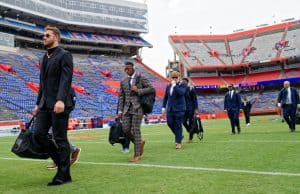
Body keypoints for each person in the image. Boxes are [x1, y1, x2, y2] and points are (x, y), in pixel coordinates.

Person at [32, 26, 74, 186]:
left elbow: (66, 79)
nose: (44, 37)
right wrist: (37, 104)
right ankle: (63, 166)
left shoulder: (65, 55)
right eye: (43, 35)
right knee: (38, 135)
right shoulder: (44, 57)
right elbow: (42, 84)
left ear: (55, 37)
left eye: (47, 35)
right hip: (45, 104)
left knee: (60, 138)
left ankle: (63, 175)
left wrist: (61, 100)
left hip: (59, 103)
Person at [117, 61, 154, 162]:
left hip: (138, 107)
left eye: (128, 68)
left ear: (132, 68)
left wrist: (139, 90)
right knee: (125, 130)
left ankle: (137, 155)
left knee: (135, 130)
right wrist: (120, 111)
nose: (126, 70)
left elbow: (151, 88)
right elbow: (121, 96)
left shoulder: (140, 77)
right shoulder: (123, 81)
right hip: (126, 109)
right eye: (125, 68)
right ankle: (139, 142)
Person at [162, 71, 187, 149]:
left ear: (179, 77)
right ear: (170, 78)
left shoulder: (183, 84)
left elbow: (181, 93)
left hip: (180, 109)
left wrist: (175, 85)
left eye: (176, 77)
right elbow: (166, 97)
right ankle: (179, 136)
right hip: (170, 109)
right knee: (169, 123)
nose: (175, 79)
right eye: (173, 78)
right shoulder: (168, 86)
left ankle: (178, 142)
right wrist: (163, 107)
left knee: (178, 125)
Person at [182, 77, 199, 143]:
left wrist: (196, 109)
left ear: (187, 82)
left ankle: (190, 138)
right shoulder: (181, 90)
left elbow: (195, 100)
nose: (183, 82)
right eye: (182, 81)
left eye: (184, 81)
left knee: (191, 123)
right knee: (183, 122)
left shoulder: (191, 89)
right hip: (184, 109)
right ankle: (190, 130)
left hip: (191, 109)